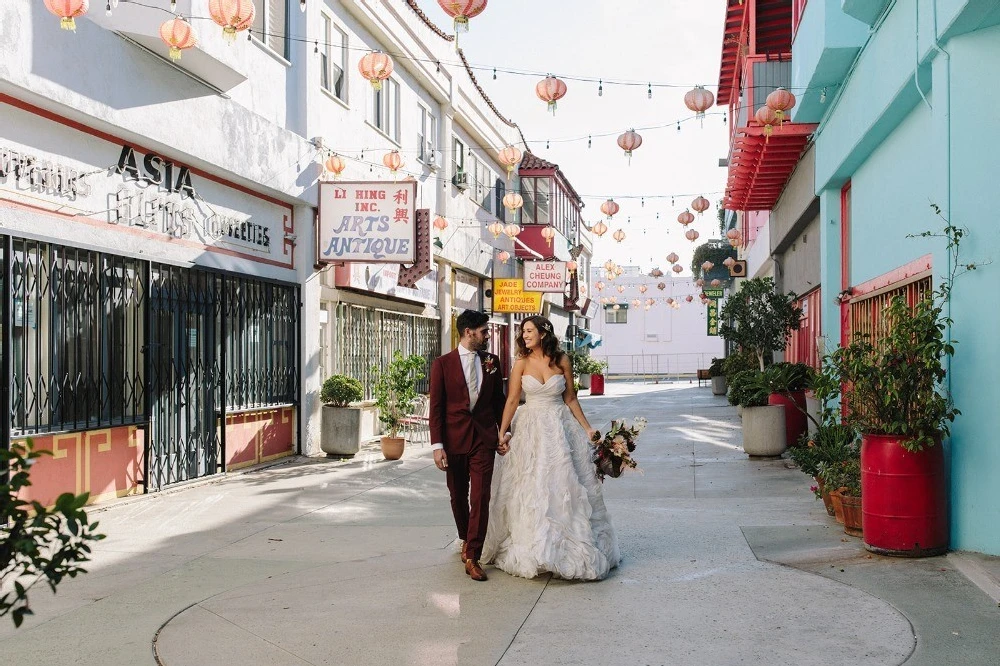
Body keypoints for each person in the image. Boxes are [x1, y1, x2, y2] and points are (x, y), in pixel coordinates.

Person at [483, 316, 620, 581]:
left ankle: (565, 541)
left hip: (560, 426)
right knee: (530, 483)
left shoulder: (562, 361)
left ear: (544, 334)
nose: (525, 335)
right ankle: (534, 542)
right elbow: (512, 399)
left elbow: (570, 397)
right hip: (530, 426)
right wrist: (502, 432)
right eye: (523, 332)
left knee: (563, 483)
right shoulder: (521, 363)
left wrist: (588, 428)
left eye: (529, 331)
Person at [428, 310, 507, 582]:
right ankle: (465, 537)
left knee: (480, 496)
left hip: (483, 440)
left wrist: (503, 433)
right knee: (457, 496)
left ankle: (473, 554)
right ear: (469, 332)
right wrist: (437, 445)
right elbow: (436, 408)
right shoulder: (442, 364)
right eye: (484, 331)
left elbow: (499, 402)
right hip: (453, 441)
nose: (487, 335)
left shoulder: (492, 362)